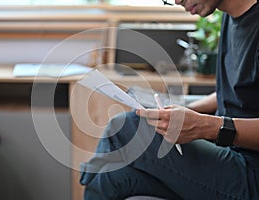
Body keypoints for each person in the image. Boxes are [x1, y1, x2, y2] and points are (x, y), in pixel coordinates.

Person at [80, 0, 259, 199]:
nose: (176, 1)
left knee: (125, 126)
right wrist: (183, 109)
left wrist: (205, 126)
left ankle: (88, 174)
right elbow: (239, 93)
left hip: (251, 173)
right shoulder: (230, 18)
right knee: (113, 178)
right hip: (229, 154)